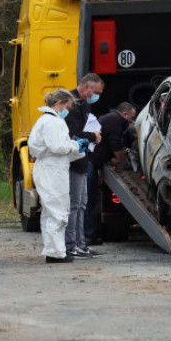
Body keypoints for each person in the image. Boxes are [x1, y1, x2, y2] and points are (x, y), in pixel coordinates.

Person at [28, 89, 87, 263]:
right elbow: (57, 147)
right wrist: (75, 146)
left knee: (51, 211)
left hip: (51, 168)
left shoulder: (46, 120)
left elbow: (56, 148)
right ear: (59, 104)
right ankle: (56, 253)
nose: (67, 110)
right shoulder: (52, 122)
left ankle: (53, 250)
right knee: (58, 211)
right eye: (67, 107)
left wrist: (75, 149)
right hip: (52, 171)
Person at [64, 73, 104, 258]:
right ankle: (72, 244)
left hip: (81, 159)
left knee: (81, 203)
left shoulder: (82, 104)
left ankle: (80, 243)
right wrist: (93, 136)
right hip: (74, 160)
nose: (97, 96)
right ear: (86, 87)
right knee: (75, 204)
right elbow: (75, 134)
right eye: (96, 92)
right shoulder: (72, 105)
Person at [86, 102, 137, 245]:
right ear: (125, 114)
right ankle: (87, 235)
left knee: (92, 198)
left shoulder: (114, 120)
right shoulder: (115, 121)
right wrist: (125, 163)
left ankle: (90, 234)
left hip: (94, 161)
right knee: (89, 198)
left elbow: (126, 139)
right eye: (132, 118)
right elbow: (117, 146)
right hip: (91, 161)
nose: (132, 121)